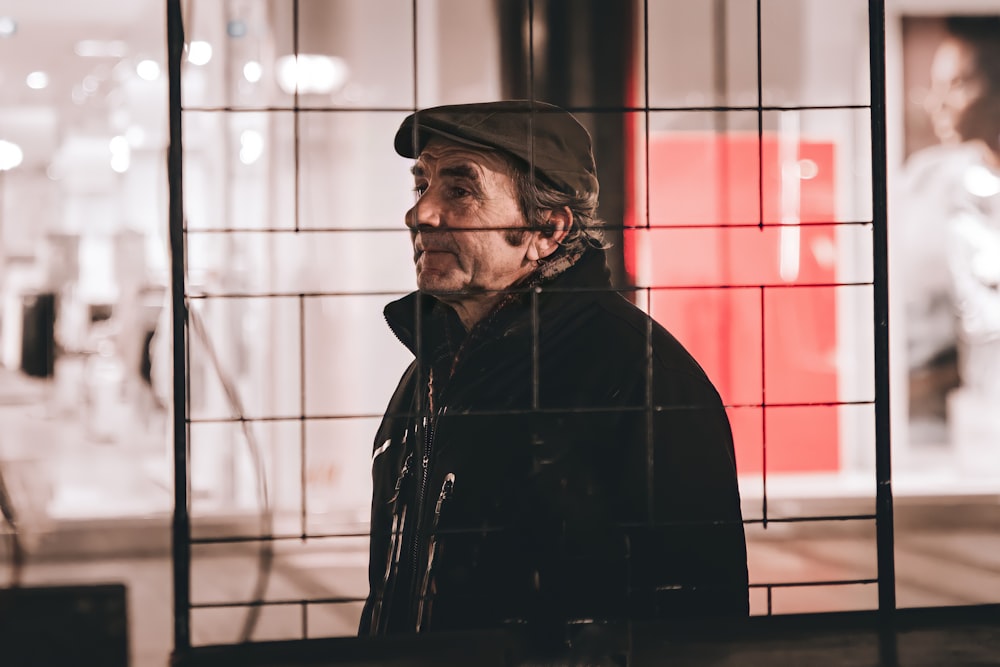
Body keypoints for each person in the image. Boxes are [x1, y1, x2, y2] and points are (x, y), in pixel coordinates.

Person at [359, 100, 748, 639]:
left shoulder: (638, 377)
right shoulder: (431, 368)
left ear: (546, 229)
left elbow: (696, 622)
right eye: (421, 185)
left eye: (460, 189)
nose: (420, 213)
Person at [900, 16, 1000, 443]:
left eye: (958, 84)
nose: (936, 103)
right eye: (934, 87)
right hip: (946, 419)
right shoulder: (926, 181)